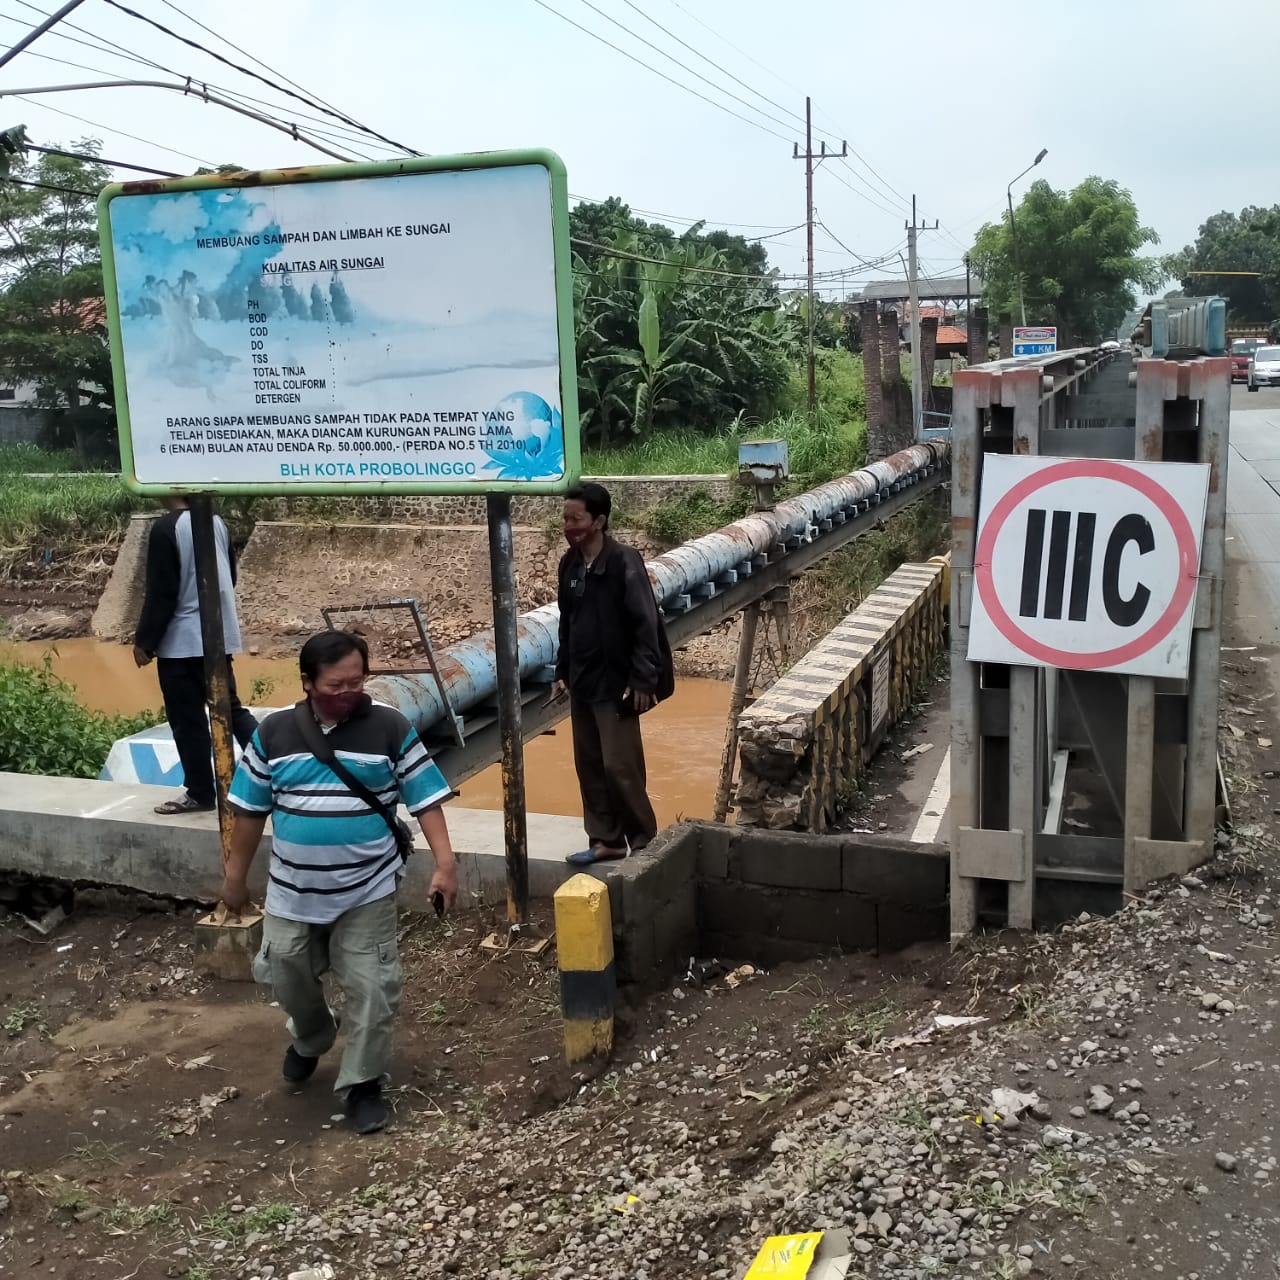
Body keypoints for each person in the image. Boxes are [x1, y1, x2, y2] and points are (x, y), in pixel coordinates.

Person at [221, 629, 459, 1135]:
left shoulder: (391, 728)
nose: (349, 692)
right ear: (307, 682)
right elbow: (248, 812)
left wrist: (445, 864)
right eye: (336, 685)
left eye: (357, 681)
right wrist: (234, 881)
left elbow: (425, 799)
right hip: (291, 891)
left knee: (373, 986)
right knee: (284, 968)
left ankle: (363, 1084)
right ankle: (311, 1036)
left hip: (366, 889)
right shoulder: (274, 735)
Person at [551, 482, 671, 866]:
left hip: (617, 685)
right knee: (589, 766)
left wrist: (643, 679)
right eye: (566, 518)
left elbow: (645, 623)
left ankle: (645, 841)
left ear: (599, 520)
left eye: (577, 518)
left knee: (620, 766)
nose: (570, 526)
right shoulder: (569, 564)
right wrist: (562, 669)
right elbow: (566, 623)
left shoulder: (623, 561)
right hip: (583, 681)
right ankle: (606, 840)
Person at [133, 496, 258, 815]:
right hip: (218, 635)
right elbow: (229, 575)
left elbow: (162, 591)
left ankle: (201, 792)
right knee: (230, 710)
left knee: (188, 720)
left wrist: (145, 641)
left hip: (182, 641)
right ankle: (281, 771)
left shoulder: (165, 528)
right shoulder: (217, 523)